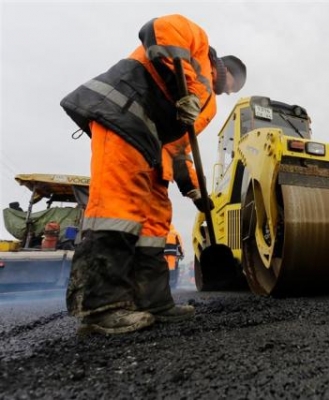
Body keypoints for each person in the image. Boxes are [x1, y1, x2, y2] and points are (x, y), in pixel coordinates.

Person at [59, 14, 247, 335]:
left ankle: (153, 300)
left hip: (151, 143)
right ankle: (102, 307)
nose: (226, 93)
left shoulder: (207, 104)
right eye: (230, 88)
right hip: (124, 115)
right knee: (118, 210)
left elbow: (179, 147)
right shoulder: (197, 42)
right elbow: (159, 29)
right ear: (227, 71)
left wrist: (193, 189)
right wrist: (182, 88)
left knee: (156, 222)